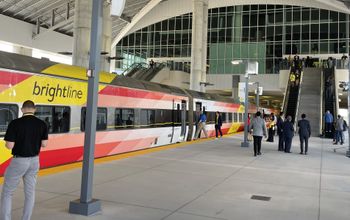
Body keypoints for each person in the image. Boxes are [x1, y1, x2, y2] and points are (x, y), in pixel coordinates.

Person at [0, 100, 48, 220]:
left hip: (19, 161)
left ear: (22, 109)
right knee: (30, 193)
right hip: (34, 161)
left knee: (7, 192)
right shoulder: (42, 124)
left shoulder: (15, 123)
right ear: (34, 109)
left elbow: (9, 145)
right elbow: (44, 144)